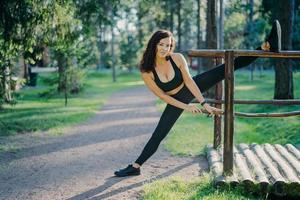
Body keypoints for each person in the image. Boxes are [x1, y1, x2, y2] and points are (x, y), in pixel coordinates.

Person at [114, 20, 281, 177]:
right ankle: (136, 167)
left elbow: (189, 81)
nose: (165, 48)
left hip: (192, 86)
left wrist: (203, 103)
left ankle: (266, 46)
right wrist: (186, 107)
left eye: (169, 45)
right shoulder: (147, 70)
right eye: (161, 44)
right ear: (154, 45)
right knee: (159, 133)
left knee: (228, 66)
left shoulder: (177, 58)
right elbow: (163, 96)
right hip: (175, 100)